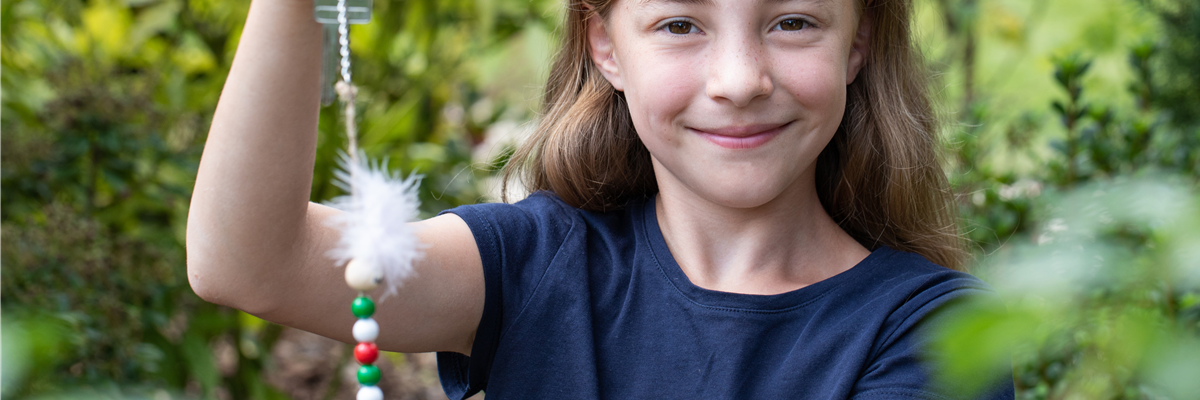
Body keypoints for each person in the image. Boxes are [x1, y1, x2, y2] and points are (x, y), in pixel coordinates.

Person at [187, 0, 1015, 398]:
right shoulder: (538, 264)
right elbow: (248, 263)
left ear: (859, 43)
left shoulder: (933, 331)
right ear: (605, 46)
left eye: (793, 21)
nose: (738, 81)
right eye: (680, 25)